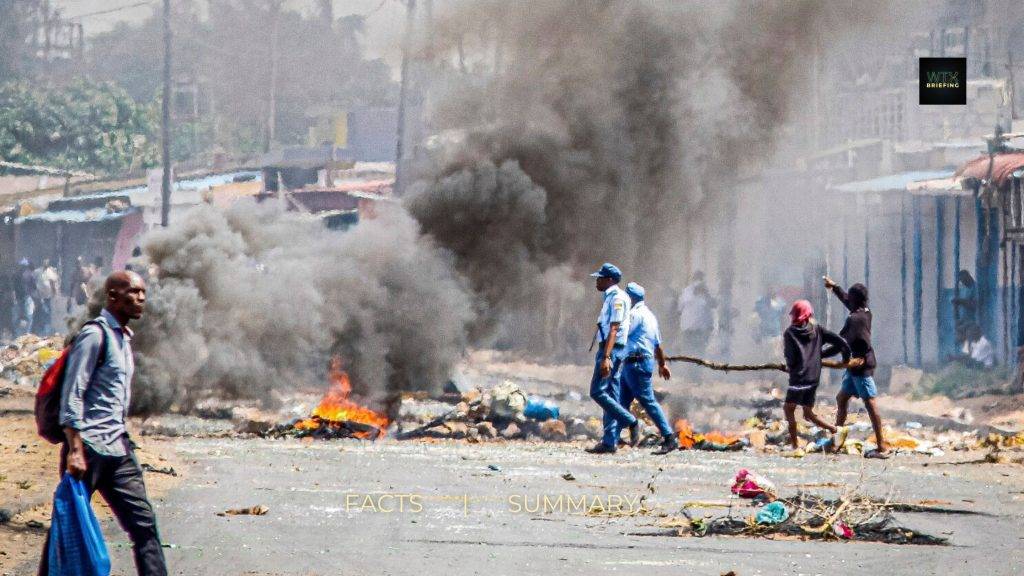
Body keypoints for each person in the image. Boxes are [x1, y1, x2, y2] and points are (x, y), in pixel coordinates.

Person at [37, 270, 168, 576]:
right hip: (87, 449)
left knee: (144, 526)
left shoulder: (124, 339)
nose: (141, 299)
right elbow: (73, 392)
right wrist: (74, 449)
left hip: (118, 450)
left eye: (143, 293)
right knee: (67, 526)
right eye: (133, 292)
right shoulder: (94, 336)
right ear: (112, 296)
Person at [824, 277, 888, 459]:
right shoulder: (865, 312)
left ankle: (882, 447)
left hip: (861, 366)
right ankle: (836, 440)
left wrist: (820, 354)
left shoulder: (855, 320)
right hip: (854, 367)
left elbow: (841, 344)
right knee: (842, 398)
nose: (848, 300)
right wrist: (835, 287)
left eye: (850, 298)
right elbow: (847, 299)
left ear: (855, 301)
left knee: (870, 403)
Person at [782, 299, 850, 457]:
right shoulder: (817, 329)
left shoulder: (790, 333)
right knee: (808, 413)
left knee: (788, 409)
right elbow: (842, 344)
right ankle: (836, 430)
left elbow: (790, 358)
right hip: (813, 379)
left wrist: (790, 368)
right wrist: (845, 360)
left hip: (798, 379)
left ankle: (795, 447)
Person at [585, 263, 640, 454]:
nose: (597, 281)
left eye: (600, 278)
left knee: (597, 391)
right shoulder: (611, 297)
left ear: (609, 280)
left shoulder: (617, 298)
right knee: (612, 393)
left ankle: (630, 421)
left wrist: (606, 357)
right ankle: (610, 441)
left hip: (612, 350)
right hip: (612, 349)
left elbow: (614, 329)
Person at [620, 282, 679, 455]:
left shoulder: (634, 314)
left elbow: (622, 333)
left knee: (648, 401)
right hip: (637, 362)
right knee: (621, 401)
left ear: (630, 298)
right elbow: (658, 345)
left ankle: (669, 437)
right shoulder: (651, 316)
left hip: (636, 362)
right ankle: (613, 437)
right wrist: (662, 364)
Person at [677, 271, 716, 380]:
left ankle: (694, 375)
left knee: (695, 351)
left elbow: (679, 309)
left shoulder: (691, 292)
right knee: (695, 350)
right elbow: (679, 309)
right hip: (695, 328)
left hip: (694, 328)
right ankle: (693, 375)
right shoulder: (691, 292)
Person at [32, 258, 59, 335]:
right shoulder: (37, 272)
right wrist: (35, 293)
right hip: (39, 297)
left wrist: (55, 295)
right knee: (39, 312)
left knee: (47, 313)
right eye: (44, 262)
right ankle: (38, 331)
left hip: (48, 297)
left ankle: (46, 331)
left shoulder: (51, 272)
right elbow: (32, 282)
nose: (45, 263)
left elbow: (53, 284)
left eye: (47, 262)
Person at [952, 269, 977, 345]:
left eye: (963, 280)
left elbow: (975, 305)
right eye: (961, 281)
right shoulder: (966, 289)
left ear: (967, 277)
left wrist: (960, 301)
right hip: (965, 321)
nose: (962, 283)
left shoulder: (975, 288)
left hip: (972, 322)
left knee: (969, 343)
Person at [15, 258, 35, 336]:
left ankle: (26, 334)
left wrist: (32, 298)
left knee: (28, 317)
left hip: (27, 298)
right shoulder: (16, 276)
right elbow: (14, 287)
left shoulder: (30, 276)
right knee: (19, 318)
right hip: (19, 299)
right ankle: (18, 335)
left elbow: (34, 287)